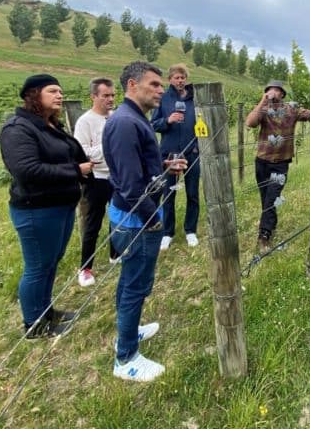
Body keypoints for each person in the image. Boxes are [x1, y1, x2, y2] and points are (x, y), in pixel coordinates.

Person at [103, 61, 185, 382]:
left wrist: (164, 165)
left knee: (131, 281)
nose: (161, 90)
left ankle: (130, 331)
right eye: (153, 84)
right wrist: (152, 219)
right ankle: (126, 358)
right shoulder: (125, 123)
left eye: (160, 85)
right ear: (131, 86)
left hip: (137, 215)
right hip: (137, 219)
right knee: (135, 286)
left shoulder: (133, 119)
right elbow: (130, 184)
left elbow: (138, 167)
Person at [0, 74, 94, 338]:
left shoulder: (49, 125)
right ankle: (34, 325)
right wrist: (75, 170)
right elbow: (27, 170)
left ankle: (47, 311)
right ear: (33, 95)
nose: (59, 95)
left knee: (51, 262)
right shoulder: (18, 129)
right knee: (37, 267)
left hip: (61, 206)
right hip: (36, 209)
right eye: (52, 91)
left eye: (60, 91)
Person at [245, 80, 310, 254]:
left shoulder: (291, 110)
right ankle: (271, 223)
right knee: (265, 198)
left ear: (282, 94)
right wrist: (263, 101)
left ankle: (264, 235)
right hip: (261, 162)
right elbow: (250, 123)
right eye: (269, 90)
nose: (272, 93)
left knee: (271, 198)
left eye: (276, 90)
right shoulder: (262, 110)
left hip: (280, 164)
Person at [74, 77, 119, 287]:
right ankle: (85, 268)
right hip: (97, 179)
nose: (110, 99)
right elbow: (82, 152)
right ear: (93, 96)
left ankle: (115, 253)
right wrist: (109, 147)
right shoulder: (85, 121)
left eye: (112, 95)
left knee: (117, 218)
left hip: (117, 176)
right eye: (105, 95)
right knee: (93, 223)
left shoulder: (116, 117)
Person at [151, 63, 200, 250]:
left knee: (193, 193)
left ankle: (190, 230)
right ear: (170, 79)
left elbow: (203, 123)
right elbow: (154, 124)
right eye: (176, 78)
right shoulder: (163, 98)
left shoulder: (194, 98)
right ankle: (167, 233)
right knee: (168, 193)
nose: (180, 81)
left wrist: (197, 145)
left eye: (183, 77)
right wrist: (168, 121)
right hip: (169, 154)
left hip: (192, 152)